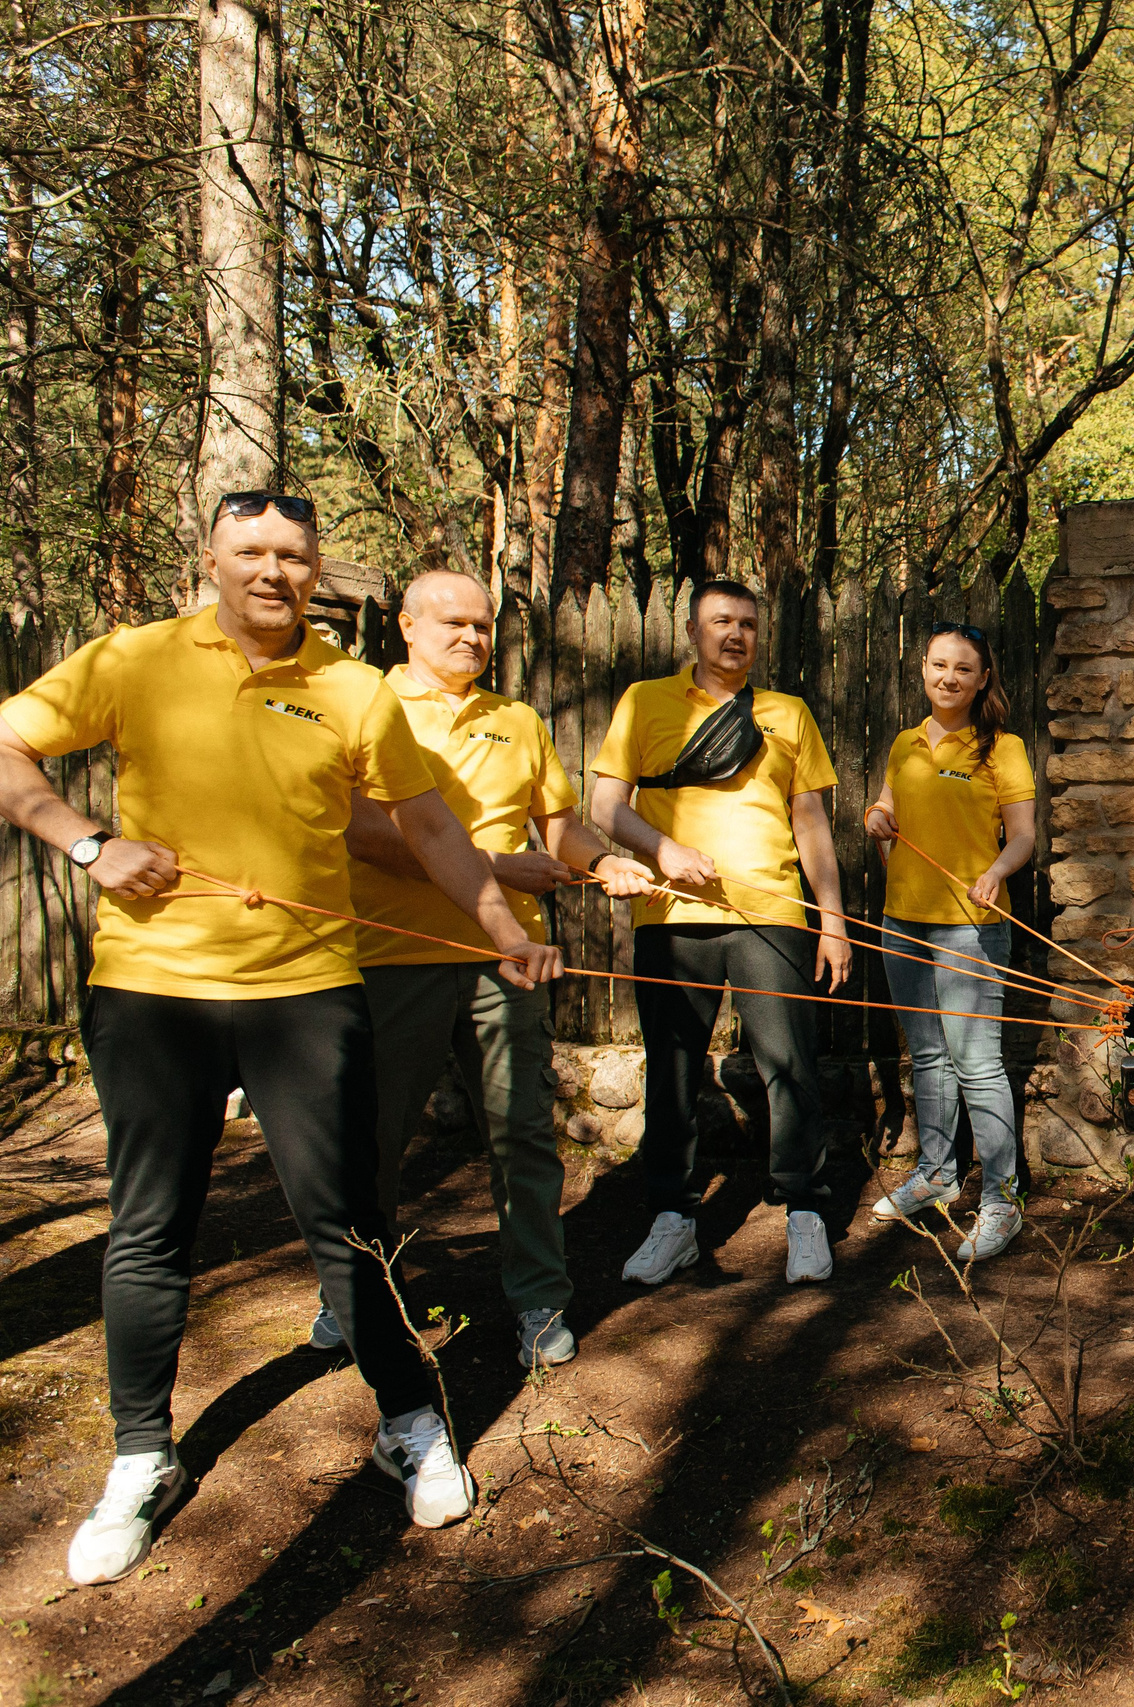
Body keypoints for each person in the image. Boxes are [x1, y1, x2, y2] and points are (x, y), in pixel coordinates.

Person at [0, 492, 564, 1584]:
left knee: (346, 1222)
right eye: (251, 552)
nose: (273, 572)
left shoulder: (352, 689)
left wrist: (498, 928)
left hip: (307, 992)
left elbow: (428, 824)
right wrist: (84, 843)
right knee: (151, 1225)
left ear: (317, 573)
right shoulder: (133, 660)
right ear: (209, 557)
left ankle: (409, 1420)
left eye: (294, 557)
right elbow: (10, 744)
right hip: (152, 993)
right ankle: (139, 1457)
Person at [313, 571, 655, 1370]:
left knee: (523, 1137)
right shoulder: (365, 703)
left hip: (509, 960)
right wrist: (500, 870)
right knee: (374, 1139)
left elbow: (560, 825)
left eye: (483, 624)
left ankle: (538, 1295)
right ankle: (352, 1295)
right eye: (453, 622)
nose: (471, 637)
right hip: (393, 956)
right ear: (405, 624)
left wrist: (604, 861)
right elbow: (366, 834)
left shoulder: (518, 719)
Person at [592, 578, 851, 1287]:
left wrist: (832, 921)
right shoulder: (644, 702)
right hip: (671, 917)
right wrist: (662, 849)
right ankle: (673, 1218)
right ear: (692, 631)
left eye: (746, 623)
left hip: (773, 914)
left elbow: (812, 824)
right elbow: (605, 805)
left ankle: (804, 1208)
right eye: (720, 621)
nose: (735, 634)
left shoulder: (788, 712)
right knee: (672, 1067)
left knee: (790, 1065)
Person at [863, 621, 1035, 1263]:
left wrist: (996, 870)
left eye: (963, 668)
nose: (949, 677)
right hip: (902, 920)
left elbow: (1023, 836)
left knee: (977, 1065)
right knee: (928, 1057)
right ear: (924, 669)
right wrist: (881, 821)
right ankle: (937, 1173)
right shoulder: (905, 743)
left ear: (982, 677)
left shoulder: (1003, 748)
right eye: (939, 665)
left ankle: (1001, 1200)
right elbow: (888, 816)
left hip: (972, 924)